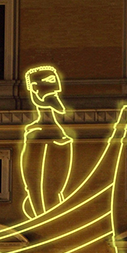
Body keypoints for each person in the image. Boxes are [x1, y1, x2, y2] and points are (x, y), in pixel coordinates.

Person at [17, 64, 76, 220]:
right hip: (49, 140)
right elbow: (32, 183)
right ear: (33, 90)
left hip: (54, 141)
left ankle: (49, 218)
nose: (55, 91)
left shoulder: (44, 133)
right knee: (41, 193)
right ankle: (47, 218)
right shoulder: (35, 133)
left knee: (50, 193)